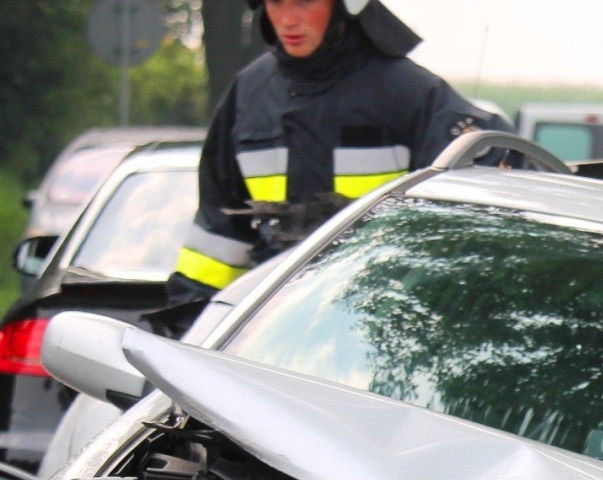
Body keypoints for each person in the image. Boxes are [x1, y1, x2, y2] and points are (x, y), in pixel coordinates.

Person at [169, 0, 506, 305]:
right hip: (270, 329)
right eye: (275, 2)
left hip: (375, 324)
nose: (287, 19)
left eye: (304, 2)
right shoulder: (249, 95)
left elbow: (485, 170)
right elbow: (217, 238)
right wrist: (187, 331)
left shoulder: (405, 91)